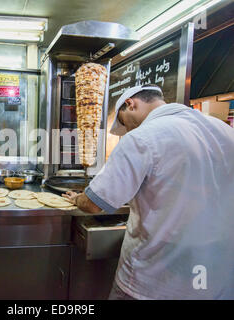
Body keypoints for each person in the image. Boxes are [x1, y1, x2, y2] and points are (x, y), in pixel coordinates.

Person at [62, 84, 234, 299]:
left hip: (156, 280)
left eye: (125, 123)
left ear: (130, 104)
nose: (129, 130)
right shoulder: (225, 131)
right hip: (216, 280)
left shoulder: (143, 137)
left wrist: (78, 198)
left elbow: (95, 202)